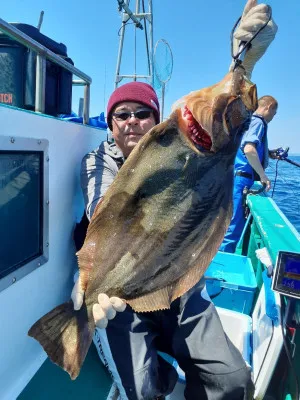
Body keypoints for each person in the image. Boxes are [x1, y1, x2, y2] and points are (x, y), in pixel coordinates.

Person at [71, 1, 277, 398]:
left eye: (142, 114)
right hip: (123, 287)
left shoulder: (181, 137)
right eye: (122, 115)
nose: (132, 121)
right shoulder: (99, 161)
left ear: (158, 118)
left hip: (181, 285)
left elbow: (225, 110)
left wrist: (243, 67)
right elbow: (101, 210)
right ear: (111, 123)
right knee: (143, 390)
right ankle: (160, 370)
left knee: (234, 381)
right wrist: (92, 282)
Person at [220, 95, 278, 254]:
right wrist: (263, 176)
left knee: (232, 222)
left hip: (236, 178)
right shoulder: (258, 122)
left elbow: (247, 148)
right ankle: (223, 263)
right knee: (234, 226)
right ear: (268, 107)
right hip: (242, 179)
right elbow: (249, 149)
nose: (273, 117)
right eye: (274, 112)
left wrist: (269, 153)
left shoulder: (248, 121)